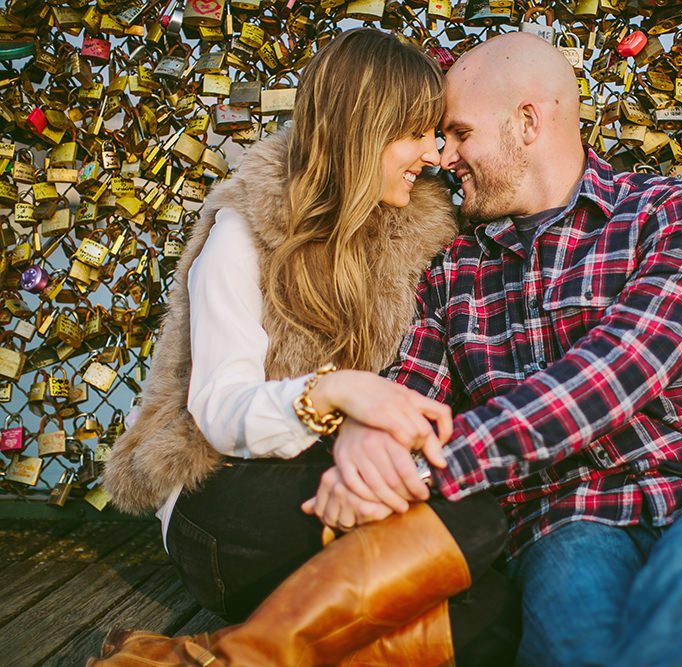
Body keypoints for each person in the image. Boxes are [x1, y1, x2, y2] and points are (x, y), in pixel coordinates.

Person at [310, 32, 682, 667]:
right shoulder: (449, 270)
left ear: (526, 122)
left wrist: (423, 469)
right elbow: (410, 399)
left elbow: (618, 372)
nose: (443, 157)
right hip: (563, 521)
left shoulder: (677, 214)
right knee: (579, 642)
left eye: (458, 133)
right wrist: (368, 441)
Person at [94, 29, 516, 666]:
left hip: (345, 491)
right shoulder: (245, 229)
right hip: (221, 501)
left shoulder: (423, 235)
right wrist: (333, 393)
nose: (432, 155)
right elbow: (218, 409)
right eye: (416, 134)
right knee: (473, 520)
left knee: (497, 612)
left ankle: (214, 658)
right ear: (363, 131)